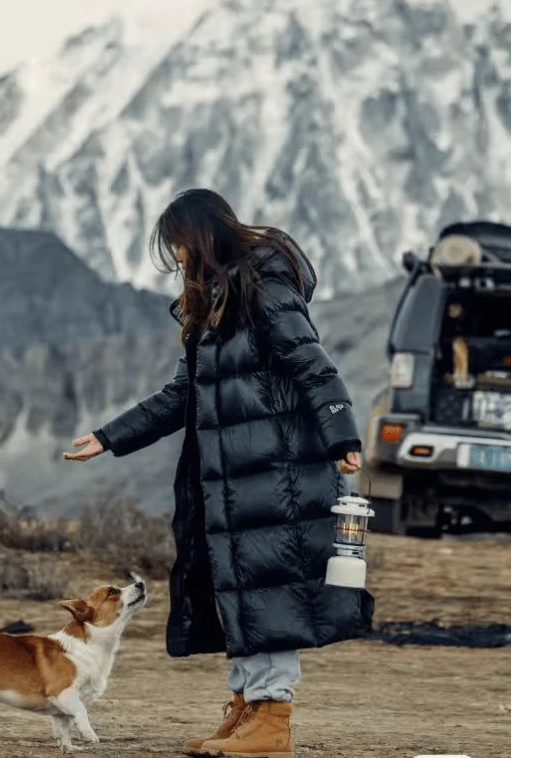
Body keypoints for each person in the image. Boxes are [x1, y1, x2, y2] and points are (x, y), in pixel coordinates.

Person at [63, 189, 374, 758]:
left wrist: (341, 433)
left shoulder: (263, 287)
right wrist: (109, 437)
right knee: (241, 596)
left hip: (275, 477)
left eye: (179, 244)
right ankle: (249, 707)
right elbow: (184, 394)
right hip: (231, 481)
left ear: (202, 235)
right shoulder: (216, 303)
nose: (177, 257)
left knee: (268, 596)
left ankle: (272, 718)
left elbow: (312, 363)